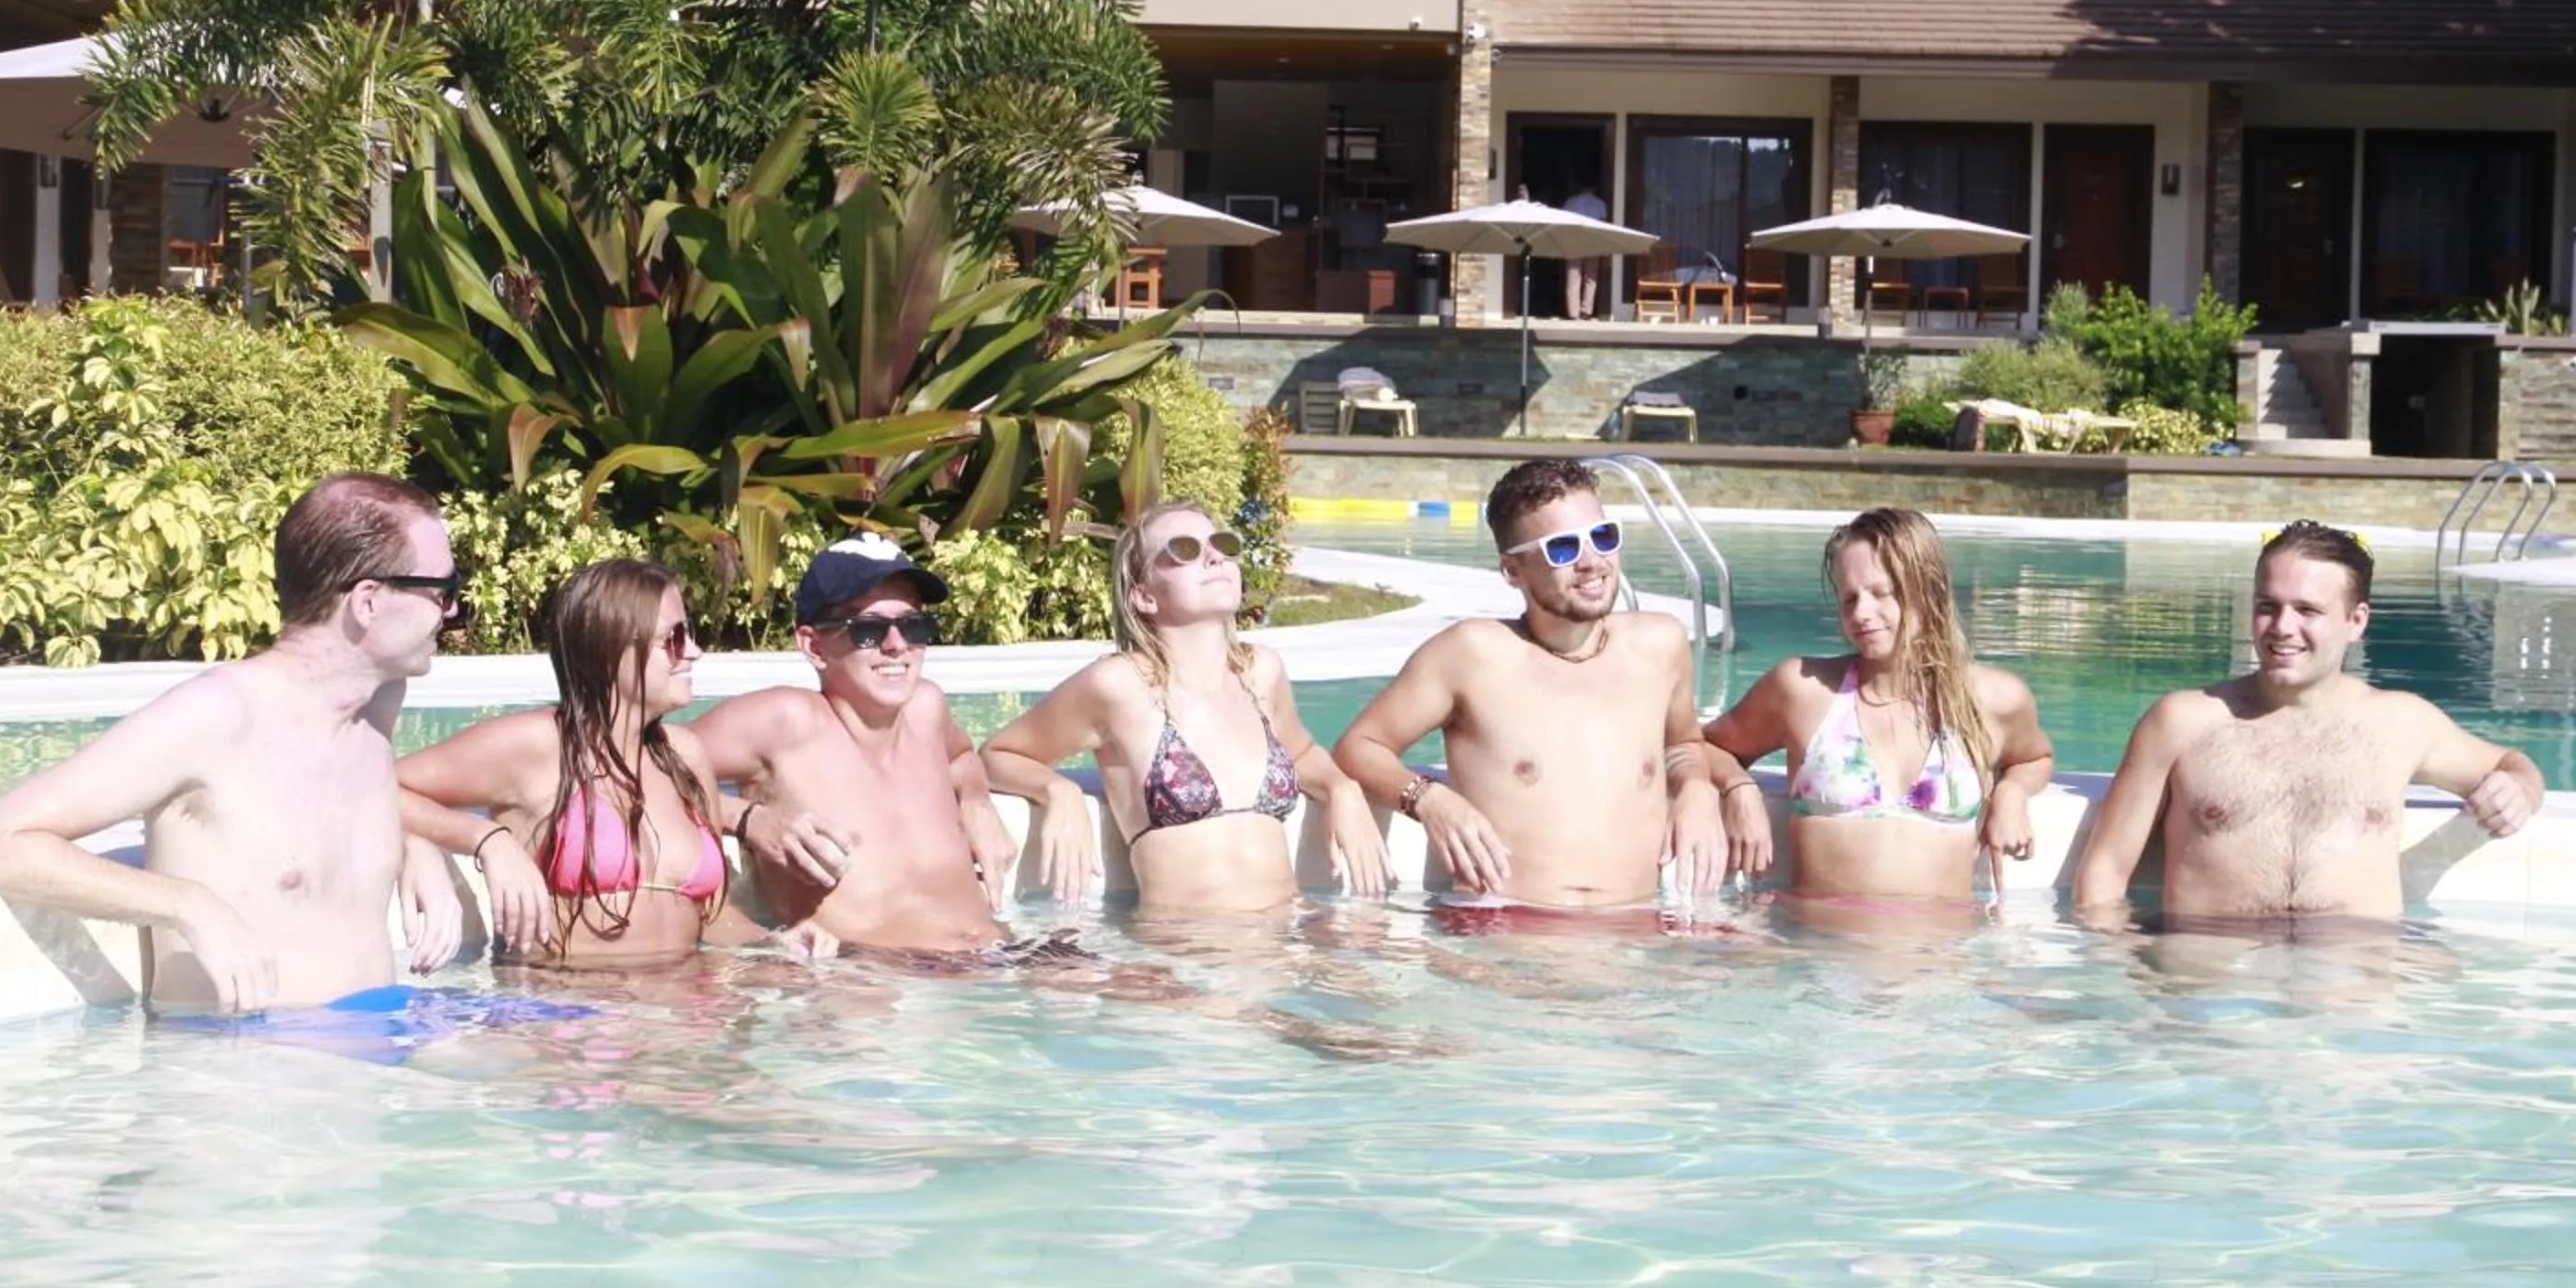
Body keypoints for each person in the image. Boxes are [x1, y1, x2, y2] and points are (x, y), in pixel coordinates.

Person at [0, 473, 466, 1014]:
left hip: (375, 1049)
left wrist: (416, 846)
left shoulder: (373, 709)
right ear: (368, 603)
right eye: (441, 592)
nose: (451, 612)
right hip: (242, 1073)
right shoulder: (217, 717)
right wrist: (188, 905)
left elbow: (318, 821)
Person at [1331, 458, 1769, 918]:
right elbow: (1360, 746)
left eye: (1603, 537)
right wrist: (1430, 800)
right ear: (1512, 571)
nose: (1591, 562)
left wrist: (1699, 789)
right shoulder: (1473, 654)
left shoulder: (1659, 645)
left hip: (1635, 942)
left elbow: (1681, 744)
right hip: (1505, 942)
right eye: (1562, 548)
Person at [2074, 521, 2545, 925]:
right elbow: (2105, 872)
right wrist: (2119, 978)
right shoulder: (2182, 721)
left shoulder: (2402, 722)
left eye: (2308, 610)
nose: (2282, 626)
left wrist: (2519, 787)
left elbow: (2510, 763)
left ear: (2356, 621)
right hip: (2208, 975)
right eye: (2267, 606)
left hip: (2354, 982)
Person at [980, 502, 1391, 916]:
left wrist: (1342, 788)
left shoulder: (1260, 673)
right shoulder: (1119, 685)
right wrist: (1057, 791)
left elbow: (1301, 752)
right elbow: (999, 755)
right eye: (1184, 550)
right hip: (1180, 956)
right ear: (1144, 596)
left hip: (1283, 944)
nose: (1214, 556)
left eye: (1221, 545)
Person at [395, 559, 784, 968]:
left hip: (688, 1016)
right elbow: (376, 786)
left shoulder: (684, 757)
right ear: (612, 646)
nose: (694, 652)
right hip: (570, 1014)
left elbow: (712, 916)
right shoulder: (537, 747)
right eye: (675, 637)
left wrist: (778, 944)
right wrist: (484, 838)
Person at [689, 535, 1031, 957]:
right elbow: (628, 763)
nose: (896, 645)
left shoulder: (925, 708)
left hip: (1007, 958)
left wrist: (978, 800)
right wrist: (747, 820)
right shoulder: (785, 722)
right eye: (868, 629)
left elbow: (961, 757)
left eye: (913, 625)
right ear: (814, 647)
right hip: (873, 982)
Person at [1705, 508, 2053, 906]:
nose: (1860, 614)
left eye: (1880, 593)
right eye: (1849, 598)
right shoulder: (1804, 690)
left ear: (1927, 587)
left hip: (1944, 963)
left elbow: (2034, 758)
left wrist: (2012, 793)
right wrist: (1739, 790)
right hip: (1820, 959)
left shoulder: (1992, 699)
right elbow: (1705, 745)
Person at [1563, 181, 1609, 319]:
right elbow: (1603, 224)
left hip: (1574, 240)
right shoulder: (1600, 204)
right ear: (1594, 188)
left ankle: (1573, 313)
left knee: (1573, 277)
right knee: (1591, 277)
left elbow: (1563, 221)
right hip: (1593, 241)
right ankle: (1586, 311)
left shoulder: (1570, 202)